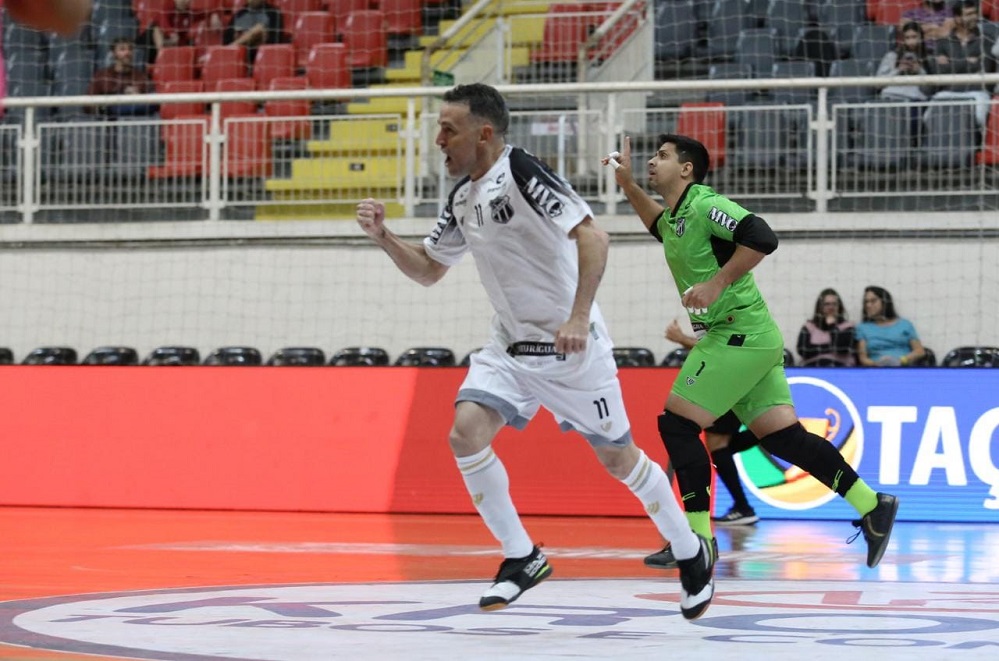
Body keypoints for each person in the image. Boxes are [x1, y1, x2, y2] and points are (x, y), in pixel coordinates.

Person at [355, 83, 714, 620]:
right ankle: (522, 556)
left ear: (484, 133)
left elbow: (594, 238)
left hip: (572, 349)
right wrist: (385, 237)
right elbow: (430, 269)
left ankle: (690, 552)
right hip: (509, 346)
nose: (438, 140)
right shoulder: (460, 197)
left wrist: (576, 315)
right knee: (464, 432)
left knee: (620, 460)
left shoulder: (522, 171)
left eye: (448, 129)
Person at [603, 133, 900, 575]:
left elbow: (762, 235)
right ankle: (871, 504)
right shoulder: (677, 217)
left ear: (687, 168)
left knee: (678, 425)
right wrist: (628, 185)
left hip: (737, 333)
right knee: (783, 438)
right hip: (750, 336)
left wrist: (716, 283)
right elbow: (658, 226)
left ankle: (696, 541)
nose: (651, 161)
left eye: (661, 156)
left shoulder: (704, 204)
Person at [927, 1, 996, 128]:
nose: (974, 17)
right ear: (958, 18)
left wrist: (952, 63)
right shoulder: (943, 42)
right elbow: (939, 71)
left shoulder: (986, 40)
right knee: (927, 118)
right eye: (969, 14)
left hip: (976, 92)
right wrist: (968, 62)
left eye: (975, 13)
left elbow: (984, 67)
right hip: (948, 91)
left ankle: (977, 143)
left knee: (979, 117)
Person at [856, 285, 926, 367]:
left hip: (904, 369)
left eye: (873, 301)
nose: (868, 305)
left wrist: (900, 361)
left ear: (885, 301)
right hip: (877, 371)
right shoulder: (862, 328)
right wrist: (877, 364)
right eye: (866, 302)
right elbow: (863, 359)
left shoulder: (905, 324)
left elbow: (919, 351)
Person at [85, 38, 156, 117]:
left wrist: (138, 97)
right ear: (113, 53)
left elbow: (151, 103)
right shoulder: (102, 75)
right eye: (122, 49)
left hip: (135, 120)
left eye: (130, 49)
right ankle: (111, 108)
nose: (127, 52)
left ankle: (112, 109)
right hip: (108, 120)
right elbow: (87, 104)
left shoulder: (141, 76)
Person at [797, 288, 856, 367]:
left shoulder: (848, 326)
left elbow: (842, 349)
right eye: (827, 304)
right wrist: (829, 347)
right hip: (813, 367)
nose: (831, 307)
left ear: (839, 306)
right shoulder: (809, 327)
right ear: (820, 307)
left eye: (834, 304)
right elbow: (803, 351)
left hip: (840, 368)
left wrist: (831, 326)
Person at [877, 21, 932, 102]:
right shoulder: (891, 56)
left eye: (914, 37)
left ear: (921, 38)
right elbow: (878, 84)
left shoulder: (929, 58)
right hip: (890, 97)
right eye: (907, 38)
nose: (911, 42)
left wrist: (919, 70)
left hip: (915, 100)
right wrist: (898, 70)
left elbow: (930, 90)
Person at [150, 0, 225, 58]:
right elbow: (161, 20)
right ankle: (161, 54)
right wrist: (171, 33)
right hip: (151, 46)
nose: (186, 1)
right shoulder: (168, 6)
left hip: (175, 45)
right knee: (156, 28)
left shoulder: (189, 14)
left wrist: (214, 14)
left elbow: (206, 12)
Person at [224, 0, 285, 64]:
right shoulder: (238, 15)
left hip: (265, 61)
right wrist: (251, 37)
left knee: (258, 30)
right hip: (239, 61)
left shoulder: (274, 13)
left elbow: (275, 42)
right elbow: (227, 44)